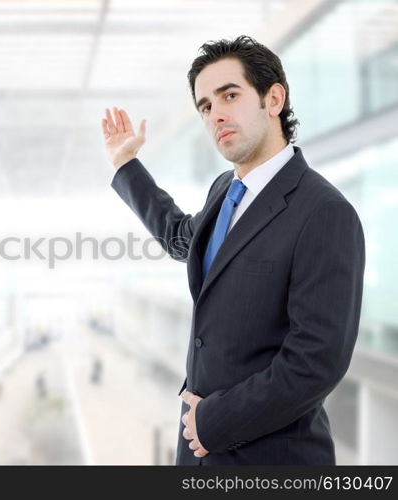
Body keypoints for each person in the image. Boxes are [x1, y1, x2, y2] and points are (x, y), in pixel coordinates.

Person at [102, 36, 365, 465]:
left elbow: (317, 360)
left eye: (229, 95)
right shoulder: (226, 191)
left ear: (273, 98)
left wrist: (214, 422)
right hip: (199, 456)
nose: (216, 114)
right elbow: (180, 238)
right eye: (205, 106)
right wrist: (126, 166)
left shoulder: (324, 212)